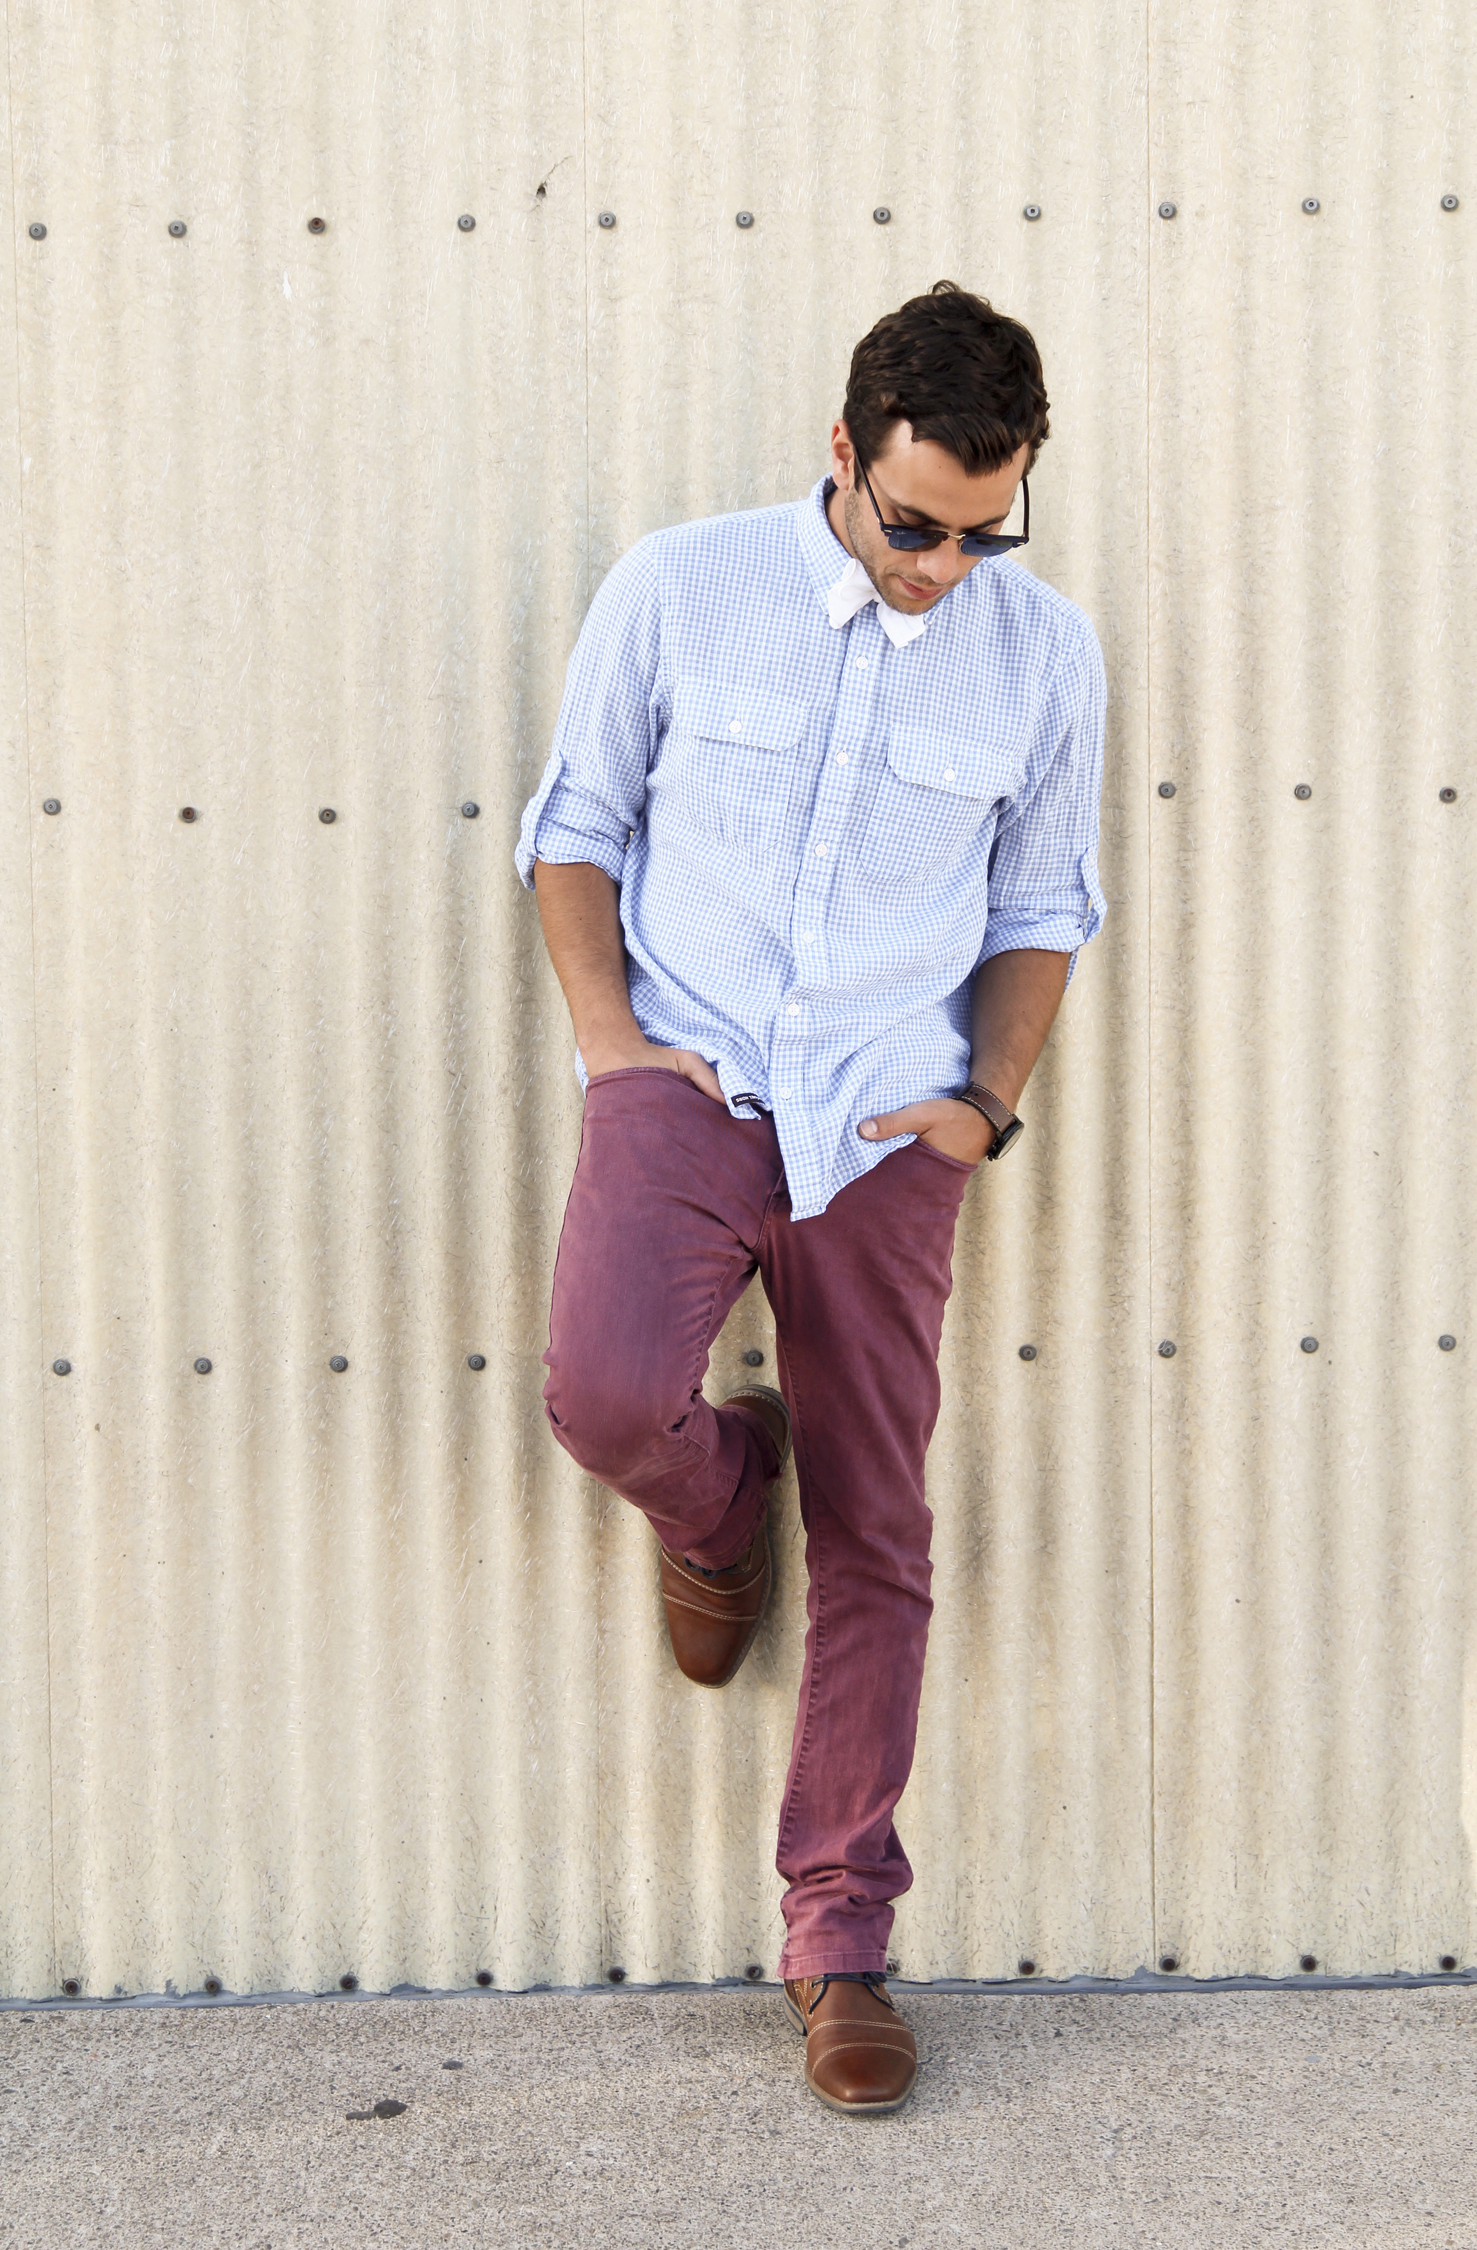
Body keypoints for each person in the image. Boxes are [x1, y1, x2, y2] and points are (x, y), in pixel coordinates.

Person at [515, 281, 1106, 2116]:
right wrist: (613, 1043)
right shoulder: (682, 585)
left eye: (983, 528)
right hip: (691, 1074)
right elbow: (575, 823)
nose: (944, 561)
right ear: (841, 454)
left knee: (882, 1525)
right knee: (606, 1394)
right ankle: (718, 1484)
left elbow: (1039, 907)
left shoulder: (1044, 654)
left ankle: (839, 1937)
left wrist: (981, 1109)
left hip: (882, 1129)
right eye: (914, 520)